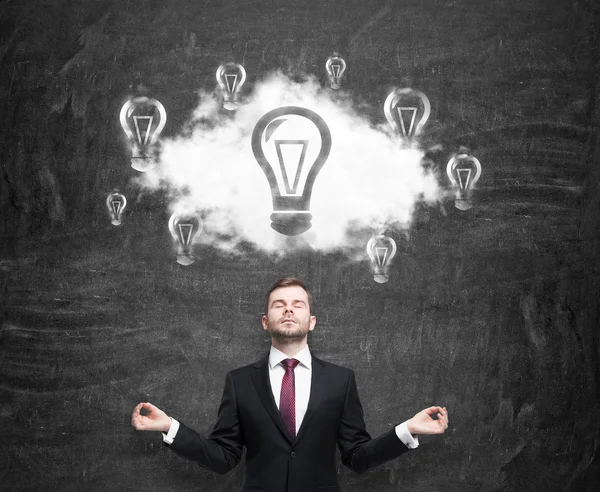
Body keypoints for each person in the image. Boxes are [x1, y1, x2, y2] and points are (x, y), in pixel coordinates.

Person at [132, 277, 448, 492]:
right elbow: (222, 458)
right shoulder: (240, 381)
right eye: (278, 304)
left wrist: (408, 430)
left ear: (311, 321)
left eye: (298, 304)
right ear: (265, 321)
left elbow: (358, 458)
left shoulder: (341, 380)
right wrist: (169, 427)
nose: (288, 308)